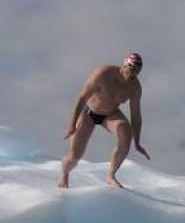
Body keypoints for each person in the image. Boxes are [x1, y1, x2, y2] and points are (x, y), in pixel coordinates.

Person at [59, 52, 150, 189]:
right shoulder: (103, 73)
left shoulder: (135, 88)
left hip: (110, 115)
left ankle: (111, 175)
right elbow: (82, 98)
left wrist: (137, 142)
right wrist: (72, 125)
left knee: (126, 132)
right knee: (75, 155)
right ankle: (65, 175)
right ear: (124, 66)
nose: (132, 75)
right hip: (89, 112)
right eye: (130, 69)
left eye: (136, 72)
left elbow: (136, 115)